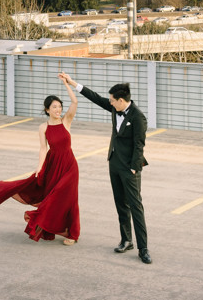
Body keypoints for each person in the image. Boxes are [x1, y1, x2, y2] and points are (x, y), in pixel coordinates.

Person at [59, 72, 151, 264]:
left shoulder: (138, 117)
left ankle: (143, 249)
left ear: (121, 100)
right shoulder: (114, 108)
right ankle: (126, 240)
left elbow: (139, 145)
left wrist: (134, 168)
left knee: (136, 207)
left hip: (130, 168)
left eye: (112, 100)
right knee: (120, 205)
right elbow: (94, 97)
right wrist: (72, 82)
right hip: (114, 164)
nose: (109, 102)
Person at [0, 76, 81, 244]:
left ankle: (73, 234)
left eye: (59, 106)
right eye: (54, 107)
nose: (58, 109)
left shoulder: (66, 121)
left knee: (68, 198)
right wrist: (39, 168)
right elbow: (43, 148)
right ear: (47, 110)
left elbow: (74, 102)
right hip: (53, 166)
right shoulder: (43, 128)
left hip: (69, 166)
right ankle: (55, 228)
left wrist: (67, 84)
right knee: (52, 197)